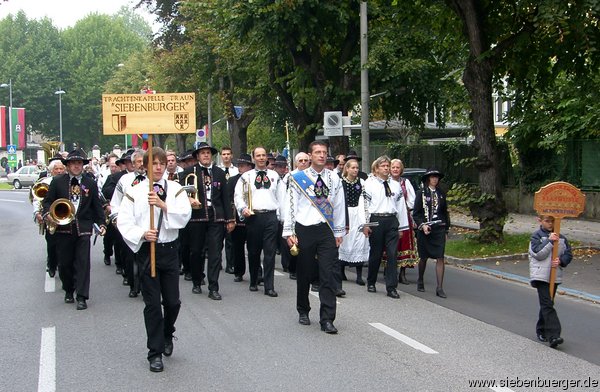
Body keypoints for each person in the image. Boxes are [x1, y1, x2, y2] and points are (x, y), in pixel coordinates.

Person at [117, 147, 192, 372]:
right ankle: (155, 352)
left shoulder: (176, 189)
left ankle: (168, 332)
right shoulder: (135, 191)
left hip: (169, 251)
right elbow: (124, 220)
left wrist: (163, 206)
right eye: (154, 164)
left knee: (172, 302)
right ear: (146, 166)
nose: (158, 167)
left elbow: (184, 214)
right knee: (152, 305)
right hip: (147, 251)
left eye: (161, 163)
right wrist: (142, 233)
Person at [283, 141, 345, 334]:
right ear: (310, 155)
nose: (321, 155)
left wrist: (339, 232)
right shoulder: (297, 178)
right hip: (304, 229)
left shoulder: (334, 178)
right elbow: (290, 206)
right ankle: (303, 309)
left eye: (324, 152)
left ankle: (327, 318)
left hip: (326, 229)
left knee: (327, 274)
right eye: (317, 152)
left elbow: (339, 205)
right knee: (305, 272)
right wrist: (289, 232)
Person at [42, 149, 106, 310]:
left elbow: (96, 206)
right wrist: (48, 214)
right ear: (68, 165)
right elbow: (48, 202)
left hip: (83, 228)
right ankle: (69, 289)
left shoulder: (90, 182)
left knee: (83, 263)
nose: (76, 166)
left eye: (79, 163)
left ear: (83, 165)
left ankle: (82, 296)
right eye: (73, 163)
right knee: (65, 264)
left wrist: (102, 223)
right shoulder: (57, 181)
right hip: (63, 229)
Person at [179, 142, 235, 299]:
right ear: (197, 156)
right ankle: (197, 281)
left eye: (208, 153)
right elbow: (181, 194)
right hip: (197, 217)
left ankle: (213, 287)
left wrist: (230, 219)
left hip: (216, 216)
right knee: (196, 251)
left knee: (216, 252)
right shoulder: (189, 172)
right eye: (202, 153)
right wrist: (189, 200)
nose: (205, 155)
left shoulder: (219, 173)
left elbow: (225, 197)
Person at [234, 146, 285, 296]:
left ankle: (269, 286)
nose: (262, 158)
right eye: (258, 155)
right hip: (254, 217)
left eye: (263, 155)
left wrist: (282, 218)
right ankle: (254, 279)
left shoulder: (275, 176)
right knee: (254, 251)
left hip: (270, 217)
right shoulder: (246, 176)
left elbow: (281, 198)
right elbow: (238, 195)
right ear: (254, 158)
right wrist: (243, 208)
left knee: (269, 252)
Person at [362, 156, 409, 299]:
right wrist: (365, 224)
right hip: (376, 220)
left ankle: (391, 287)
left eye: (388, 166)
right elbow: (364, 205)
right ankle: (371, 281)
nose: (386, 168)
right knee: (376, 253)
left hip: (391, 220)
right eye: (383, 166)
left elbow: (401, 206)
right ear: (376, 168)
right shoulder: (369, 184)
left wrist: (402, 227)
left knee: (392, 254)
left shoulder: (395, 185)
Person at [528, 215, 572, 348]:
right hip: (541, 276)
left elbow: (568, 254)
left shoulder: (562, 238)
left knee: (548, 304)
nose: (550, 224)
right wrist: (550, 241)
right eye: (547, 221)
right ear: (540, 221)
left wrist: (561, 261)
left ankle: (541, 330)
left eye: (553, 221)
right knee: (547, 304)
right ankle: (554, 335)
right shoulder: (536, 236)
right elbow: (537, 253)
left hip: (554, 276)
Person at [111, 149, 147, 297]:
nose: (141, 165)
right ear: (132, 164)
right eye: (138, 162)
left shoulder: (154, 180)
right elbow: (116, 202)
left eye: (144, 161)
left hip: (146, 224)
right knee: (129, 256)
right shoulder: (124, 180)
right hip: (129, 224)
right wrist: (117, 218)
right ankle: (133, 285)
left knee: (145, 257)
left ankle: (146, 286)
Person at [412, 168, 450, 298]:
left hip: (439, 227)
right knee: (424, 257)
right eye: (432, 177)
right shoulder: (421, 193)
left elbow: (445, 212)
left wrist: (446, 229)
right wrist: (422, 225)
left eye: (436, 177)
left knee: (440, 257)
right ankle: (420, 279)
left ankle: (439, 287)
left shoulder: (441, 193)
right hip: (425, 229)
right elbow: (416, 213)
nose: (434, 179)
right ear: (428, 178)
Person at [337, 159, 369, 287]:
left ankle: (359, 274)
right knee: (345, 241)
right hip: (345, 213)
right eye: (353, 168)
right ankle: (342, 270)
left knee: (359, 241)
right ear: (347, 169)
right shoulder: (341, 182)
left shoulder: (361, 182)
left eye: (357, 168)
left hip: (358, 213)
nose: (355, 170)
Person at [33, 156, 65, 277]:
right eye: (56, 169)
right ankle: (51, 265)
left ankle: (63, 267)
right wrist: (37, 213)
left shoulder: (68, 182)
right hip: (50, 218)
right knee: (51, 244)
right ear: (51, 171)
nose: (59, 171)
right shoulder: (45, 183)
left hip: (64, 216)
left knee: (64, 245)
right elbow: (37, 200)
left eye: (61, 168)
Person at [227, 153, 254, 282]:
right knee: (237, 247)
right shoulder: (232, 180)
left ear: (250, 166)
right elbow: (229, 199)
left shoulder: (254, 178)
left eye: (244, 165)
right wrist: (230, 218)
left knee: (255, 247)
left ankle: (257, 272)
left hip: (253, 217)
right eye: (240, 165)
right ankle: (239, 271)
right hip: (237, 217)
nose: (241, 168)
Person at [390, 159, 417, 284]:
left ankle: (402, 272)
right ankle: (389, 271)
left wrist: (405, 208)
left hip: (404, 217)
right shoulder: (386, 182)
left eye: (397, 167)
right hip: (390, 217)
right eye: (393, 167)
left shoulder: (406, 183)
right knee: (390, 245)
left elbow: (412, 201)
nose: (395, 169)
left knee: (404, 244)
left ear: (401, 169)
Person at [219, 146, 239, 275]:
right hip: (220, 205)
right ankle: (218, 261)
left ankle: (230, 264)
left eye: (228, 154)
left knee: (230, 237)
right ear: (221, 156)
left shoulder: (236, 170)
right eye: (224, 154)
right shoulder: (217, 170)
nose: (226, 156)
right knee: (218, 236)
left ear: (231, 155)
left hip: (232, 205)